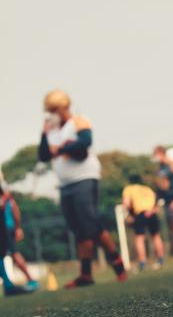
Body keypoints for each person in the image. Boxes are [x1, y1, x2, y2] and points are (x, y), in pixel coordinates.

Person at [38, 89, 126, 288]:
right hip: (65, 184)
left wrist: (60, 149)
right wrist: (44, 134)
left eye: (54, 109)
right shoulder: (51, 130)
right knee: (80, 228)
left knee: (90, 223)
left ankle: (113, 264)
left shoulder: (78, 120)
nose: (51, 114)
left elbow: (85, 143)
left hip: (84, 178)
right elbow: (43, 155)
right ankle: (88, 273)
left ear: (63, 107)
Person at [122, 174, 165, 271]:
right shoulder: (147, 188)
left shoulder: (128, 188)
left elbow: (126, 204)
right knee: (156, 236)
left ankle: (142, 262)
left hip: (140, 214)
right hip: (152, 213)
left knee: (139, 238)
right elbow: (156, 201)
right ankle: (161, 259)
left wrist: (130, 214)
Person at [0, 187, 39, 291]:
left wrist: (17, 228)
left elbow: (15, 211)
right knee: (11, 254)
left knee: (14, 253)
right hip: (7, 228)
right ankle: (9, 283)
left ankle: (31, 280)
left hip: (6, 229)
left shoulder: (6, 198)